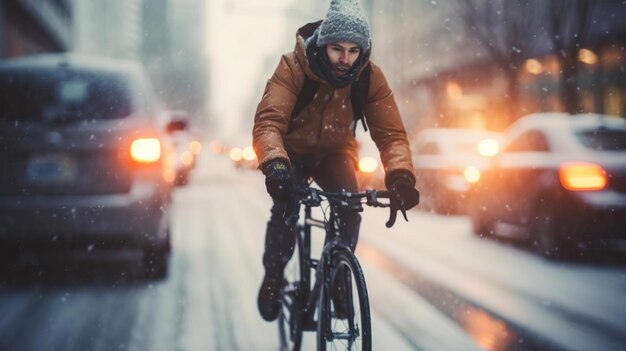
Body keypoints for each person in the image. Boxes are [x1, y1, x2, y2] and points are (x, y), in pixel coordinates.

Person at [252, 0, 420, 322]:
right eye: (337, 49)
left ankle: (338, 276)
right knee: (285, 213)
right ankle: (273, 276)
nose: (345, 60)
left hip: (335, 153)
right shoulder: (293, 67)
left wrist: (400, 175)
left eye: (354, 51)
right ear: (323, 44)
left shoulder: (369, 78)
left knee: (349, 208)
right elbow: (269, 123)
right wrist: (276, 165)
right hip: (293, 153)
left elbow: (392, 135)